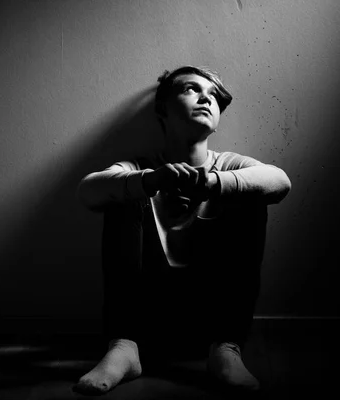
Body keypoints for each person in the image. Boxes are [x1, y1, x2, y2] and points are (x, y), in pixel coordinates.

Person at [74, 65, 291, 395]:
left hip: (211, 316)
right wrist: (148, 181)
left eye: (214, 96)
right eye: (191, 89)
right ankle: (123, 349)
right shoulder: (140, 166)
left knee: (250, 193)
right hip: (147, 319)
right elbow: (88, 191)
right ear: (163, 108)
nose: (206, 97)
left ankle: (226, 349)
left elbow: (280, 182)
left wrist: (213, 183)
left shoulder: (229, 164)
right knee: (121, 191)